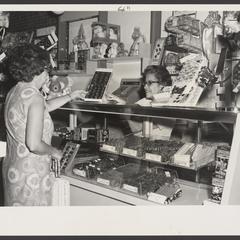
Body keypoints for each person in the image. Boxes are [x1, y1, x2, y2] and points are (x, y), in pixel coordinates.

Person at [3, 44, 86, 206]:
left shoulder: (16, 91)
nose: (49, 75)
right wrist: (56, 152)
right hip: (31, 174)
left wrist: (70, 96)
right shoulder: (35, 97)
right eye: (47, 69)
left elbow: (45, 107)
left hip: (14, 170)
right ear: (37, 69)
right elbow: (34, 144)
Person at [106, 65, 175, 140]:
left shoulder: (170, 104)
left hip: (157, 145)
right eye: (145, 83)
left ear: (163, 84)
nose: (145, 87)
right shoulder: (145, 101)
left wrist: (125, 107)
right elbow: (131, 116)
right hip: (139, 143)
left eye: (149, 83)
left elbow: (140, 126)